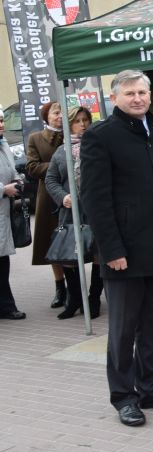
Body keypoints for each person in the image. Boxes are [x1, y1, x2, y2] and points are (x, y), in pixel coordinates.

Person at [80, 70, 153, 427]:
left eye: (143, 92)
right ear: (114, 98)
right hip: (125, 253)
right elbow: (95, 200)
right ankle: (124, 397)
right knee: (123, 329)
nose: (138, 98)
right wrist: (111, 248)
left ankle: (152, 386)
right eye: (130, 93)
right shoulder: (100, 136)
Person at [45, 105, 104, 320]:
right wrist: (63, 196)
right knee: (69, 257)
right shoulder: (61, 152)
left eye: (85, 120)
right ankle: (75, 299)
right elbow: (50, 179)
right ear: (69, 124)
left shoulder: (97, 147)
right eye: (77, 121)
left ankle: (94, 298)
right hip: (70, 213)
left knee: (99, 255)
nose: (82, 125)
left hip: (95, 210)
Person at [27, 101, 66, 309]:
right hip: (48, 196)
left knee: (73, 240)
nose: (60, 116)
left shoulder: (72, 134)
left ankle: (78, 288)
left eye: (62, 112)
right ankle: (60, 287)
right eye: (56, 113)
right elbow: (32, 167)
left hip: (71, 194)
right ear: (46, 116)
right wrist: (60, 163)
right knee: (52, 243)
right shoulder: (36, 138)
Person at [0, 108, 26, 320]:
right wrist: (3, 189)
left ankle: (6, 305)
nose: (1, 125)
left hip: (4, 213)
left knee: (2, 261)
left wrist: (18, 180)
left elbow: (12, 169)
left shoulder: (4, 144)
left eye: (1, 121)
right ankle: (7, 306)